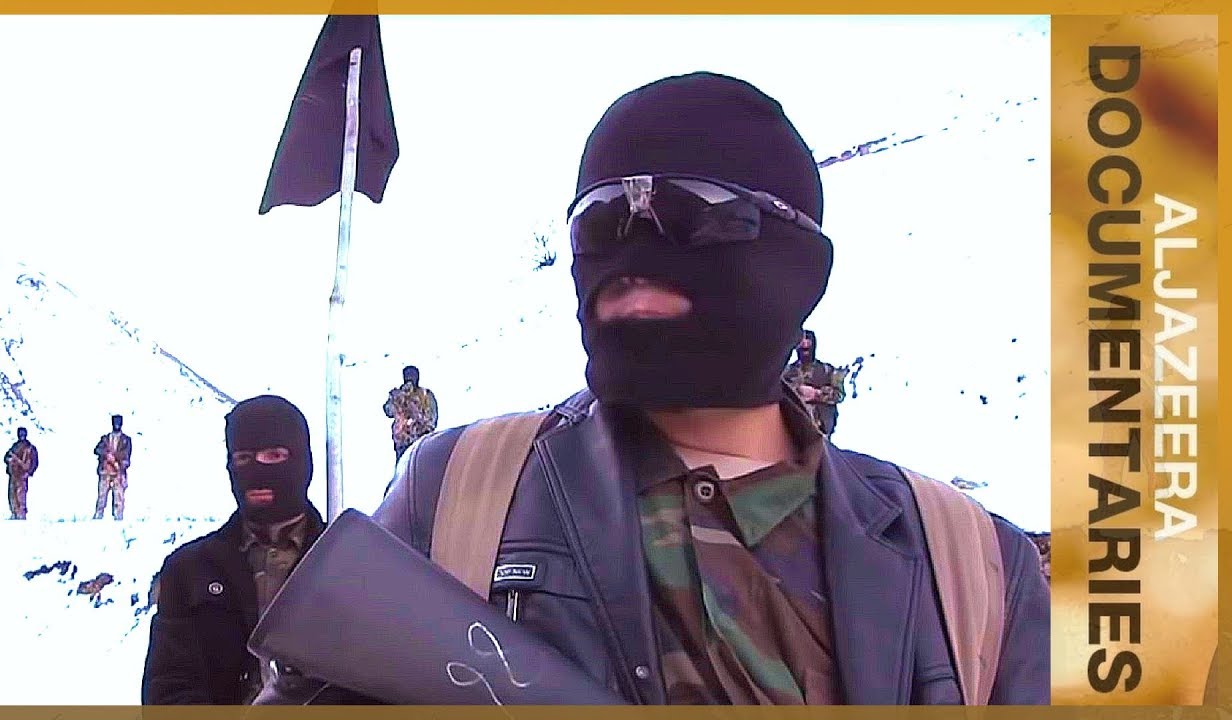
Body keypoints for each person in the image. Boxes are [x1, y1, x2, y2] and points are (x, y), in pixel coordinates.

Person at [257, 72, 1049, 705]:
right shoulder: (461, 491)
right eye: (600, 220)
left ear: (799, 265)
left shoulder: (971, 563)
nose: (634, 243)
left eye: (690, 212)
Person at [141, 395, 326, 704]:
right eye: (243, 458)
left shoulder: (348, 563)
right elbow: (169, 689)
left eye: (273, 456)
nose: (257, 471)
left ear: (302, 462)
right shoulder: (188, 571)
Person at [783, 330, 849, 436]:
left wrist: (817, 393)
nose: (805, 345)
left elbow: (839, 395)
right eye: (802, 342)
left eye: (808, 341)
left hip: (820, 431)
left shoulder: (828, 371)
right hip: (793, 430)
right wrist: (797, 392)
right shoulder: (786, 373)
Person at [382, 365, 438, 463]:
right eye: (407, 376)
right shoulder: (399, 394)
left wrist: (425, 427)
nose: (410, 378)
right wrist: (397, 399)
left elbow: (433, 417)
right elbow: (388, 411)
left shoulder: (425, 394)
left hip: (422, 440)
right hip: (403, 442)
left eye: (412, 375)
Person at [93, 414, 132, 521]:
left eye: (118, 423)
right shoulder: (105, 438)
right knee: (101, 498)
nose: (117, 425)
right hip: (105, 472)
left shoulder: (126, 440)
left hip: (118, 473)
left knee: (119, 499)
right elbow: (97, 450)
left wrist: (115, 460)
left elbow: (126, 456)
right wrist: (106, 455)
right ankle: (98, 517)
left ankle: (118, 519)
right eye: (115, 423)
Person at [3, 427, 39, 520]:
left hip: (22, 475)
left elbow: (34, 462)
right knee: (12, 494)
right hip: (13, 474)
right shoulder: (15, 446)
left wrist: (29, 472)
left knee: (21, 495)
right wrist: (9, 460)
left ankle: (21, 514)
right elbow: (6, 457)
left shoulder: (30, 447)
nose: (21, 435)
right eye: (20, 434)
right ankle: (14, 513)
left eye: (23, 434)